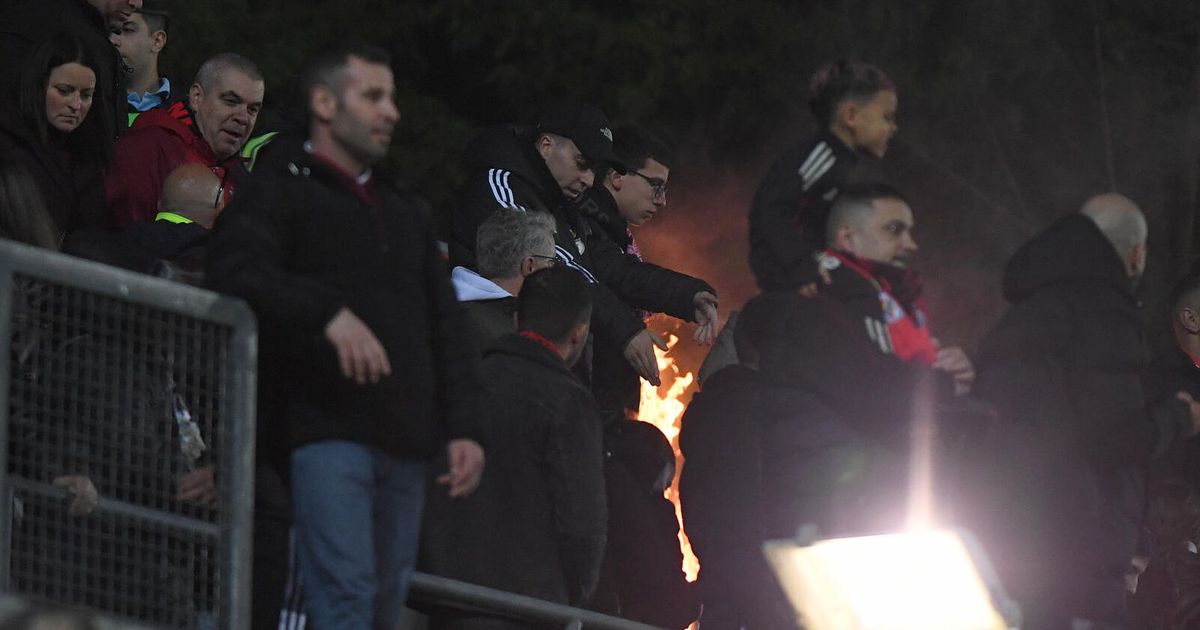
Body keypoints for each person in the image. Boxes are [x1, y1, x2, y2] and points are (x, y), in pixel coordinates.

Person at [206, 41, 485, 630]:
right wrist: (327, 313)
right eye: (374, 96)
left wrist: (463, 427)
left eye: (392, 97)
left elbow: (446, 324)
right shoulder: (282, 185)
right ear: (326, 104)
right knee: (345, 599)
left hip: (405, 447)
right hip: (324, 433)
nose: (392, 112)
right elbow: (235, 265)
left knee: (382, 607)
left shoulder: (404, 205)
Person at [971, 194, 1200, 629]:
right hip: (1080, 544)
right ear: (1137, 254)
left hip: (1009, 534)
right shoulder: (1103, 315)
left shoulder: (1028, 310)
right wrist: (1177, 419)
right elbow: (1113, 433)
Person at [422, 266, 606, 630]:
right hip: (526, 607)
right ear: (579, 334)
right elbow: (583, 525)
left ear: (518, 318)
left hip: (439, 597)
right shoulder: (569, 402)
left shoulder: (462, 382)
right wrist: (575, 596)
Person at [450, 104, 669, 389]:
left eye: (594, 169)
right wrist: (624, 330)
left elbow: (596, 266)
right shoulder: (500, 186)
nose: (590, 180)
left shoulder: (562, 202)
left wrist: (687, 295)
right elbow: (560, 265)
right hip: (492, 335)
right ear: (546, 146)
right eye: (582, 163)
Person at [574, 126, 719, 419]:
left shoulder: (610, 230)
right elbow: (620, 274)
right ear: (617, 176)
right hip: (591, 401)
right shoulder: (583, 224)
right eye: (656, 185)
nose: (662, 200)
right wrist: (689, 295)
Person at [748, 61, 897, 293]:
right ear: (851, 115)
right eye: (887, 117)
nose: (893, 128)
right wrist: (799, 265)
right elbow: (770, 208)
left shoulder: (840, 164)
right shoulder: (821, 156)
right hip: (789, 283)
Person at [106, 52, 264, 228]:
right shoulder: (147, 148)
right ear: (196, 98)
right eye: (231, 101)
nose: (243, 118)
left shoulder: (244, 179)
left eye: (252, 110)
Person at [0, 32, 113, 241]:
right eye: (64, 91)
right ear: (38, 85)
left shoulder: (90, 155)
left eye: (86, 95)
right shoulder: (7, 146)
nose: (76, 105)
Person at [0, 0, 140, 137]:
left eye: (86, 95)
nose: (137, 3)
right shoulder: (69, 35)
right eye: (64, 91)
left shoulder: (85, 33)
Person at [451, 209, 557, 351]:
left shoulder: (446, 307)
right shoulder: (506, 337)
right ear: (529, 266)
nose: (554, 269)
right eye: (551, 261)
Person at [109, 1, 175, 126]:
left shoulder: (188, 111)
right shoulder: (92, 103)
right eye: (112, 30)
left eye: (128, 30)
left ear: (157, 41)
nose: (113, 40)